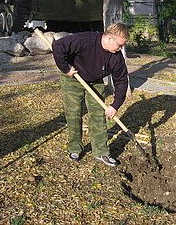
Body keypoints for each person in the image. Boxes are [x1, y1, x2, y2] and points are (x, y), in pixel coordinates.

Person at [52, 22, 129, 167]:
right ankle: (75, 148)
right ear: (110, 38)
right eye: (120, 45)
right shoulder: (85, 40)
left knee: (98, 116)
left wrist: (115, 105)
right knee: (74, 113)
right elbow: (58, 46)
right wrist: (65, 69)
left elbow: (122, 81)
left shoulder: (116, 57)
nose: (121, 48)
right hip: (73, 78)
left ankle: (101, 152)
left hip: (96, 82)